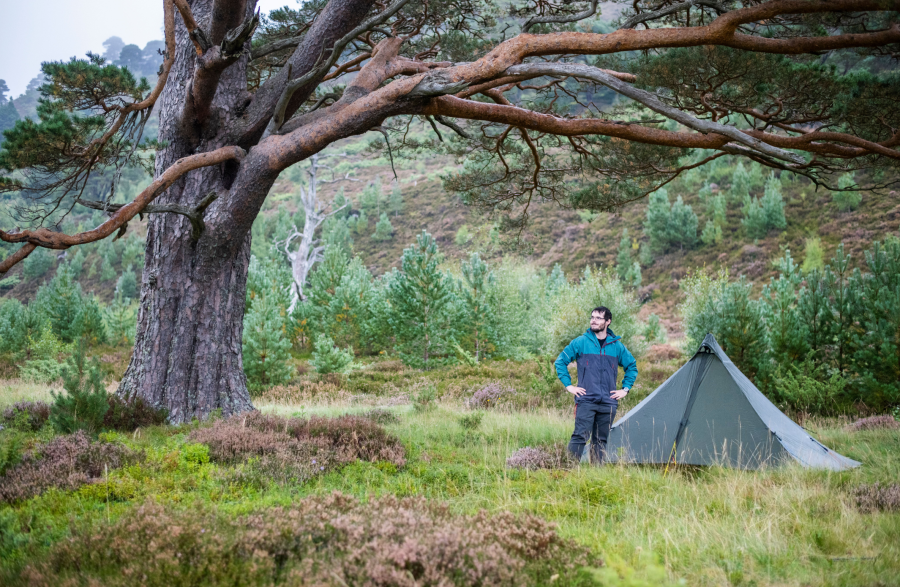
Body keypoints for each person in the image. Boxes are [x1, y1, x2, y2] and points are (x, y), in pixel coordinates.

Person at [554, 306, 638, 463]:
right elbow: (560, 362)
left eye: (598, 318)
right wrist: (569, 386)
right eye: (592, 317)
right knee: (580, 436)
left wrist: (625, 389)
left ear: (608, 322)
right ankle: (568, 471)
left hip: (608, 402)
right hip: (586, 399)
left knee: (600, 441)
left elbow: (632, 366)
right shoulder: (580, 342)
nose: (593, 320)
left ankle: (596, 476)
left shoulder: (617, 346)